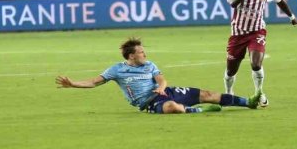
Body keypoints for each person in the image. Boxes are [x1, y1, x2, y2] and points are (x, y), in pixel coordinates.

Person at [55, 38, 261, 114]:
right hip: (149, 102)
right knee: (173, 108)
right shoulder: (117, 69)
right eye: (141, 52)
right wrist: (73, 84)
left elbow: (161, 79)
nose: (145, 54)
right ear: (131, 56)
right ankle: (198, 111)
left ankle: (247, 102)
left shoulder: (150, 65)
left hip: (164, 92)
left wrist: (162, 87)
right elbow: (94, 82)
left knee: (208, 93)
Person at [224, 0, 297, 107]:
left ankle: (259, 92)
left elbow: (280, 1)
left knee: (256, 64)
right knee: (231, 71)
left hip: (257, 31)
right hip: (238, 33)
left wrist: (291, 16)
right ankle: (229, 92)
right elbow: (232, 3)